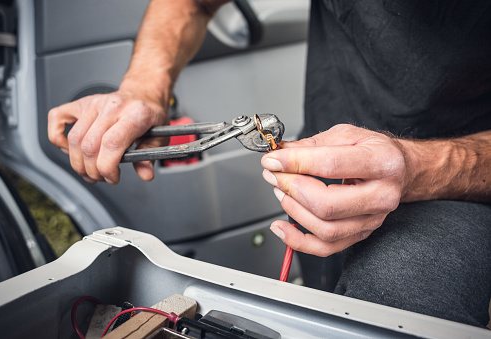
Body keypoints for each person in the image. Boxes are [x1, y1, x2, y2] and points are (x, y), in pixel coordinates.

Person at [48, 0, 491, 328]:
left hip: (467, 185)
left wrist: (421, 167)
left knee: (398, 298)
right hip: (325, 182)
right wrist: (145, 86)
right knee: (322, 310)